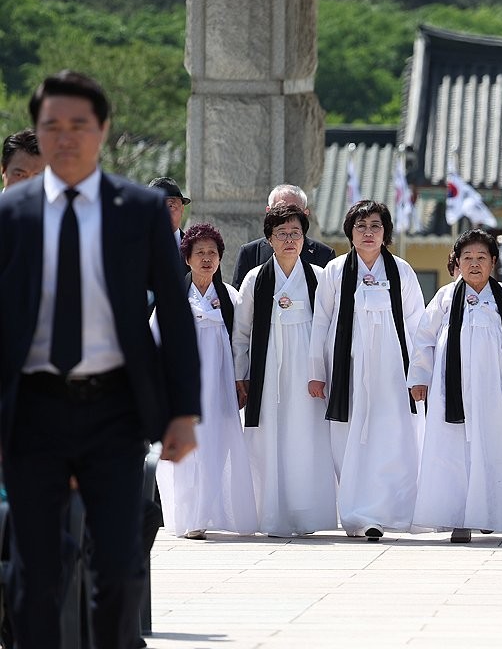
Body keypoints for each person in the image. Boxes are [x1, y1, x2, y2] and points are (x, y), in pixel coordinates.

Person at [0, 70, 201, 649]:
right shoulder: (12, 215)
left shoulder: (138, 211)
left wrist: (183, 411)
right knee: (36, 574)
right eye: (52, 125)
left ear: (103, 129)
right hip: (32, 411)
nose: (65, 137)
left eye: (78, 125)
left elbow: (175, 312)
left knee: (117, 569)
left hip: (114, 409)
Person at [309, 200, 426, 539]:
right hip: (347, 368)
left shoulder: (401, 271)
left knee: (391, 435)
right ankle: (358, 514)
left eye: (375, 226)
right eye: (360, 226)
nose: (368, 233)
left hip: (392, 369)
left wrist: (420, 373)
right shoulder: (335, 271)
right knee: (348, 437)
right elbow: (321, 322)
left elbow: (416, 323)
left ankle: (391, 511)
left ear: (385, 232)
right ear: (350, 232)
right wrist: (316, 371)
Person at [409, 229, 502, 542]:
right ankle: (458, 518)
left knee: (494, 447)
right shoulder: (445, 297)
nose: (474, 264)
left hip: (494, 389)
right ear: (457, 262)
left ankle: (489, 512)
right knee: (453, 453)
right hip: (451, 390)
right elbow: (424, 338)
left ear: (493, 262)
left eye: (481, 257)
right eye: (467, 258)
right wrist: (420, 377)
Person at [233, 203, 338, 537]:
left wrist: (326, 373)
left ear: (304, 237)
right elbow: (242, 333)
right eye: (282, 234)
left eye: (295, 233)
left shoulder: (319, 277)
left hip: (308, 373)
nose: (289, 240)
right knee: (270, 440)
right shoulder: (255, 279)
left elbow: (330, 329)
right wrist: (241, 374)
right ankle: (272, 514)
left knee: (307, 439)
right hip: (269, 373)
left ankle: (307, 516)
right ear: (269, 239)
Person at [156, 223, 258, 539]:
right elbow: (155, 340)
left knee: (215, 450)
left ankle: (204, 514)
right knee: (185, 456)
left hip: (220, 389)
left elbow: (242, 342)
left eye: (212, 253)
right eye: (199, 252)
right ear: (187, 258)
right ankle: (186, 516)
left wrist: (241, 380)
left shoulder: (230, 297)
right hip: (184, 389)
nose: (206, 259)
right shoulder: (173, 296)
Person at [232, 184, 335, 288]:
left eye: (294, 210)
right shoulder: (251, 253)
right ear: (268, 212)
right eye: (280, 209)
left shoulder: (323, 254)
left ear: (305, 214)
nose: (287, 216)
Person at [148, 176, 189, 247]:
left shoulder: (194, 247)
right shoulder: (134, 247)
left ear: (182, 209)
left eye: (170, 206)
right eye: (157, 207)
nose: (164, 214)